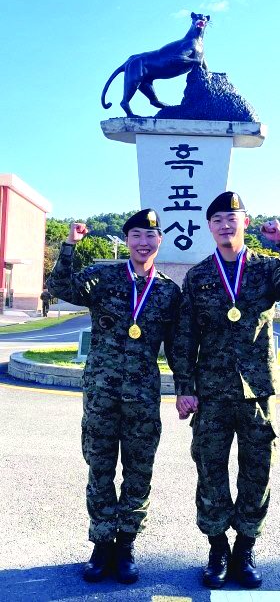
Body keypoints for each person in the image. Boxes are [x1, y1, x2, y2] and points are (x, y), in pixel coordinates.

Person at [173, 191, 280, 590]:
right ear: (209, 226)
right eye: (216, 219)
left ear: (245, 223)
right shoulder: (199, 276)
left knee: (258, 472)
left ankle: (245, 549)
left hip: (256, 392)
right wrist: (185, 387)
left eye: (231, 218)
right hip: (213, 394)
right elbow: (185, 337)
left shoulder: (268, 269)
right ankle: (218, 548)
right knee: (210, 471)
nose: (224, 224)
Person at [47, 209, 180, 584]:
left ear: (159, 241)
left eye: (150, 236)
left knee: (139, 472)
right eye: (136, 235)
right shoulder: (103, 277)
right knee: (100, 470)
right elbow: (63, 287)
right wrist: (70, 246)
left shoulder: (169, 291)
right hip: (102, 394)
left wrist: (186, 387)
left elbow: (178, 346)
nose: (143, 242)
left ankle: (126, 546)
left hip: (142, 397)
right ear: (127, 241)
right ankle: (102, 544)